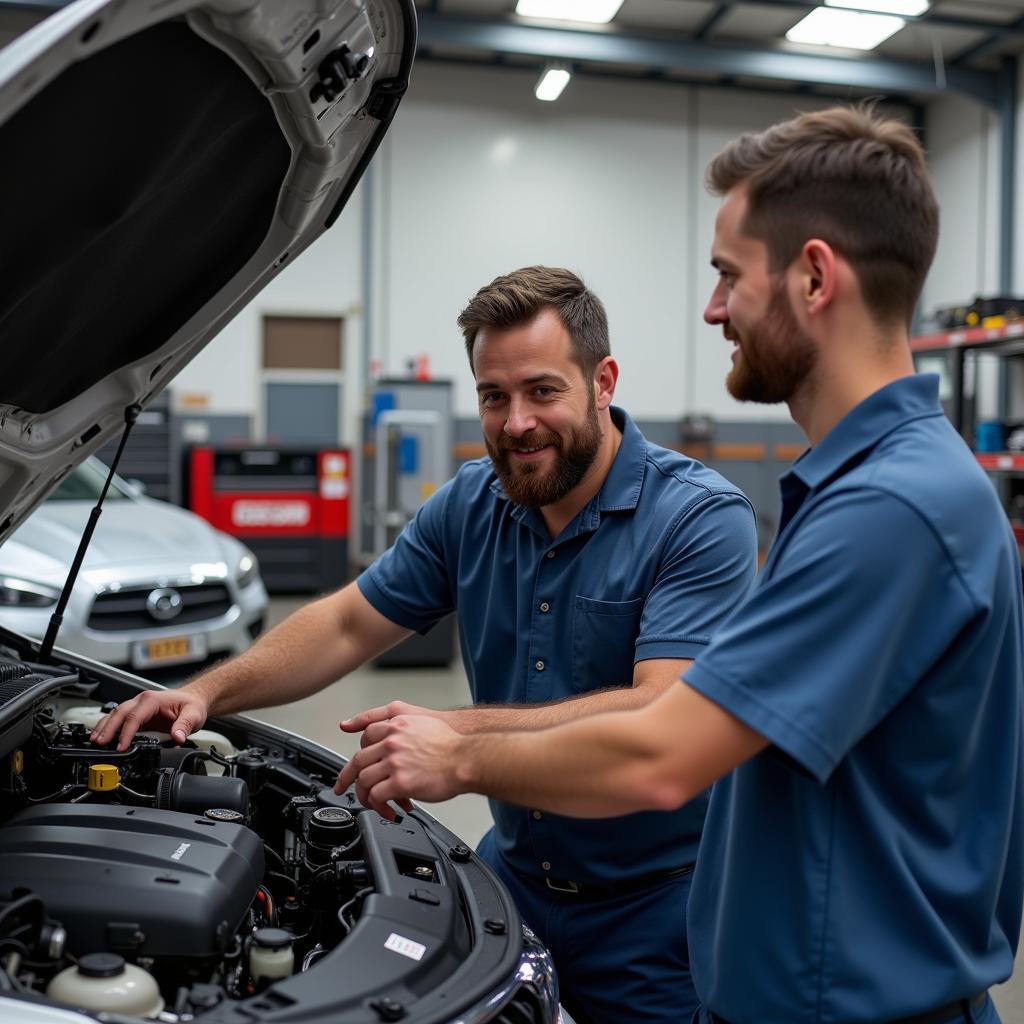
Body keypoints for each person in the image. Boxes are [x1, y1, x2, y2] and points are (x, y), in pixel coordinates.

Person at [337, 108, 1024, 1024]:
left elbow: (665, 753)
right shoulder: (871, 489)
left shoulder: (888, 511)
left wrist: (459, 752)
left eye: (727, 276)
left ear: (815, 277)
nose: (712, 309)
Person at [92, 266, 758, 1024]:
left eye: (543, 391)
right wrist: (206, 692)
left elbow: (659, 712)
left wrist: (456, 736)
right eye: (493, 396)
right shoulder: (474, 503)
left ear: (603, 381)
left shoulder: (700, 521)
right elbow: (347, 622)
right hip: (511, 887)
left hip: (656, 914)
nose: (515, 424)